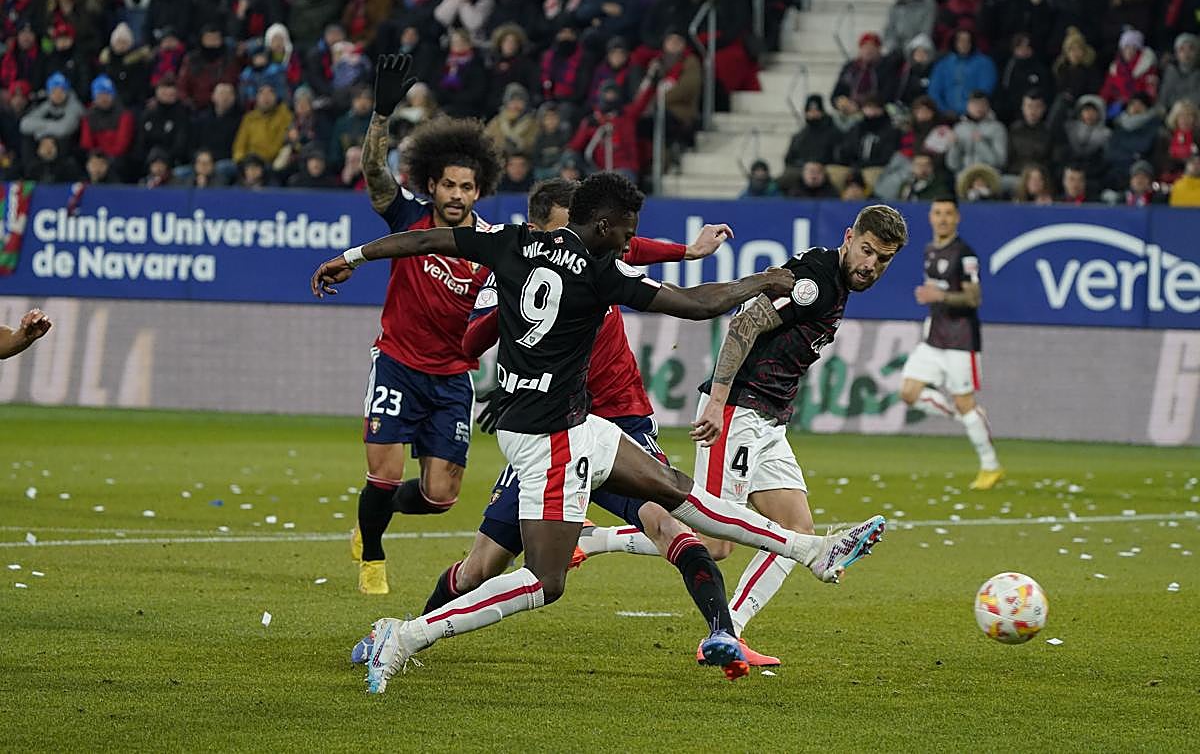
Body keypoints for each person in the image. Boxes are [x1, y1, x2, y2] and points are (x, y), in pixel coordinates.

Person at [314, 166, 891, 693]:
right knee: (544, 581)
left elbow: (422, 240)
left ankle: (812, 550)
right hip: (550, 440)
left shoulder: (516, 241)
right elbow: (693, 304)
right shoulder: (599, 273)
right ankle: (405, 637)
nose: (629, 242)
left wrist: (355, 256)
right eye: (627, 232)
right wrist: (761, 283)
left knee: (673, 488)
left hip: (570, 422)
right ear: (605, 225)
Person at [380, 180, 770, 678]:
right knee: (482, 566)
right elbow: (468, 343)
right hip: (548, 428)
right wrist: (512, 312)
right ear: (543, 231)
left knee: (670, 522)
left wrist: (688, 251)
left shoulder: (601, 264)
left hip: (618, 417)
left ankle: (722, 633)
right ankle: (409, 632)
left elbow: (637, 251)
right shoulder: (514, 267)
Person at [580, 203, 906, 660]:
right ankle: (592, 541)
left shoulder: (834, 278)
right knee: (712, 542)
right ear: (849, 237)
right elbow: (745, 323)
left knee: (797, 527)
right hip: (737, 411)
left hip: (769, 420)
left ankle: (730, 631)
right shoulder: (816, 281)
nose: (871, 265)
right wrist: (717, 400)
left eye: (883, 259)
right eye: (867, 251)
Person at [343, 54, 505, 596]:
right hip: (396, 363)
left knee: (440, 496)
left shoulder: (492, 244)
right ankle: (371, 550)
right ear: (431, 185)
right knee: (383, 474)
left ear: (478, 192)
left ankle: (372, 518)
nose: (457, 195)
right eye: (449, 186)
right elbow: (372, 171)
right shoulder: (407, 217)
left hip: (451, 379)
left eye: (467, 188)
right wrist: (381, 113)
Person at [898, 195, 1003, 490]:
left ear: (957, 218)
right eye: (937, 212)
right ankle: (966, 417)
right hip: (934, 338)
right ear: (930, 217)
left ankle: (990, 466)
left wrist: (939, 296)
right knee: (909, 392)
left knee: (965, 402)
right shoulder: (930, 250)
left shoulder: (965, 254)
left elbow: (974, 298)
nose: (943, 218)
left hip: (961, 339)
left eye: (948, 214)